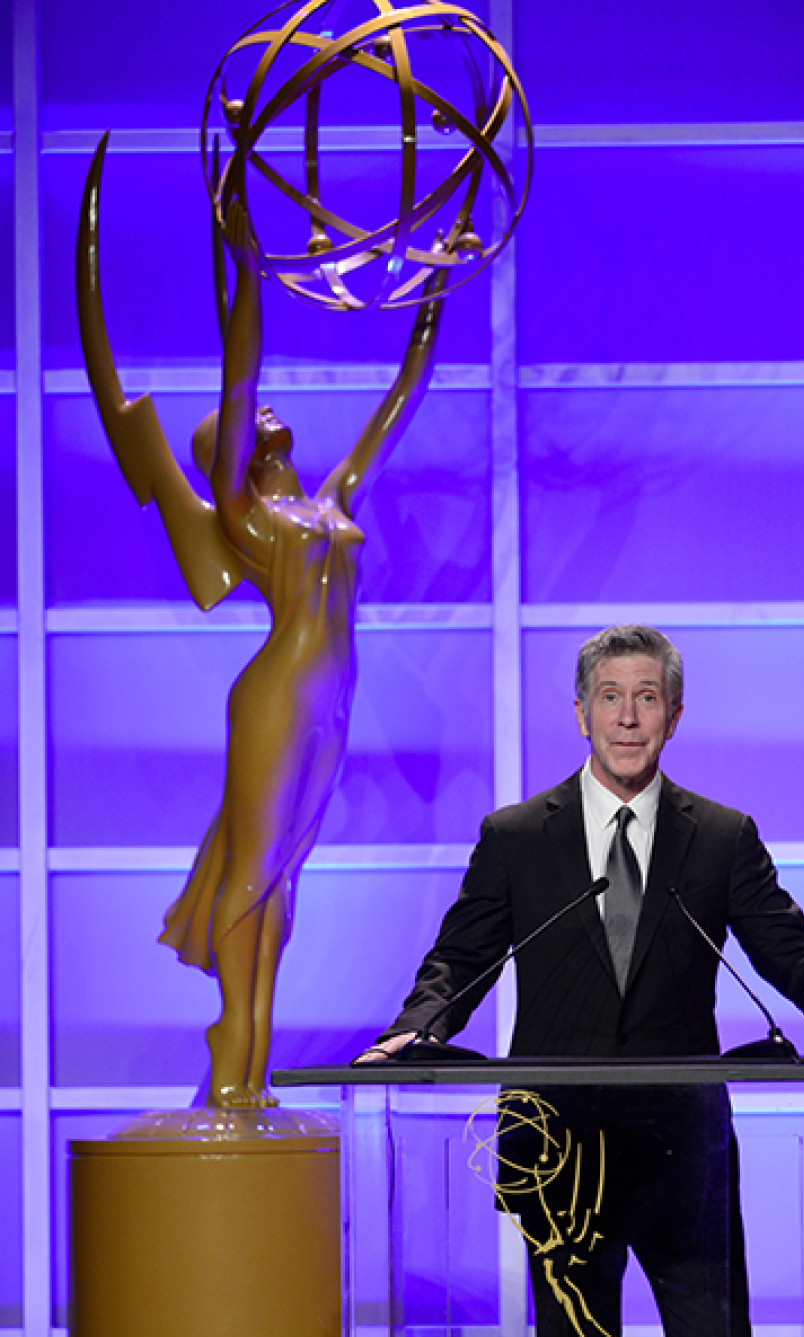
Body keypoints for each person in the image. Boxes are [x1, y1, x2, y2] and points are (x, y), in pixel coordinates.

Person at [357, 624, 804, 1337]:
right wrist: (414, 1028)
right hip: (559, 1149)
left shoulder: (720, 836)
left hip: (682, 1150)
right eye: (610, 697)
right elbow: (458, 959)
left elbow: (790, 946)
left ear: (675, 715)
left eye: (647, 697)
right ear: (581, 713)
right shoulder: (517, 836)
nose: (628, 717)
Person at [76, 133, 446, 1109]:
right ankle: (233, 1046)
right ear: (227, 455)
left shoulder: (332, 500)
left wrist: (436, 288)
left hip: (332, 702)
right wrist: (241, 252)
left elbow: (402, 397)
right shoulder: (243, 515)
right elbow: (240, 369)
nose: (267, 406)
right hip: (278, 694)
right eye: (247, 417)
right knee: (253, 870)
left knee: (286, 879)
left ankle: (249, 1061)